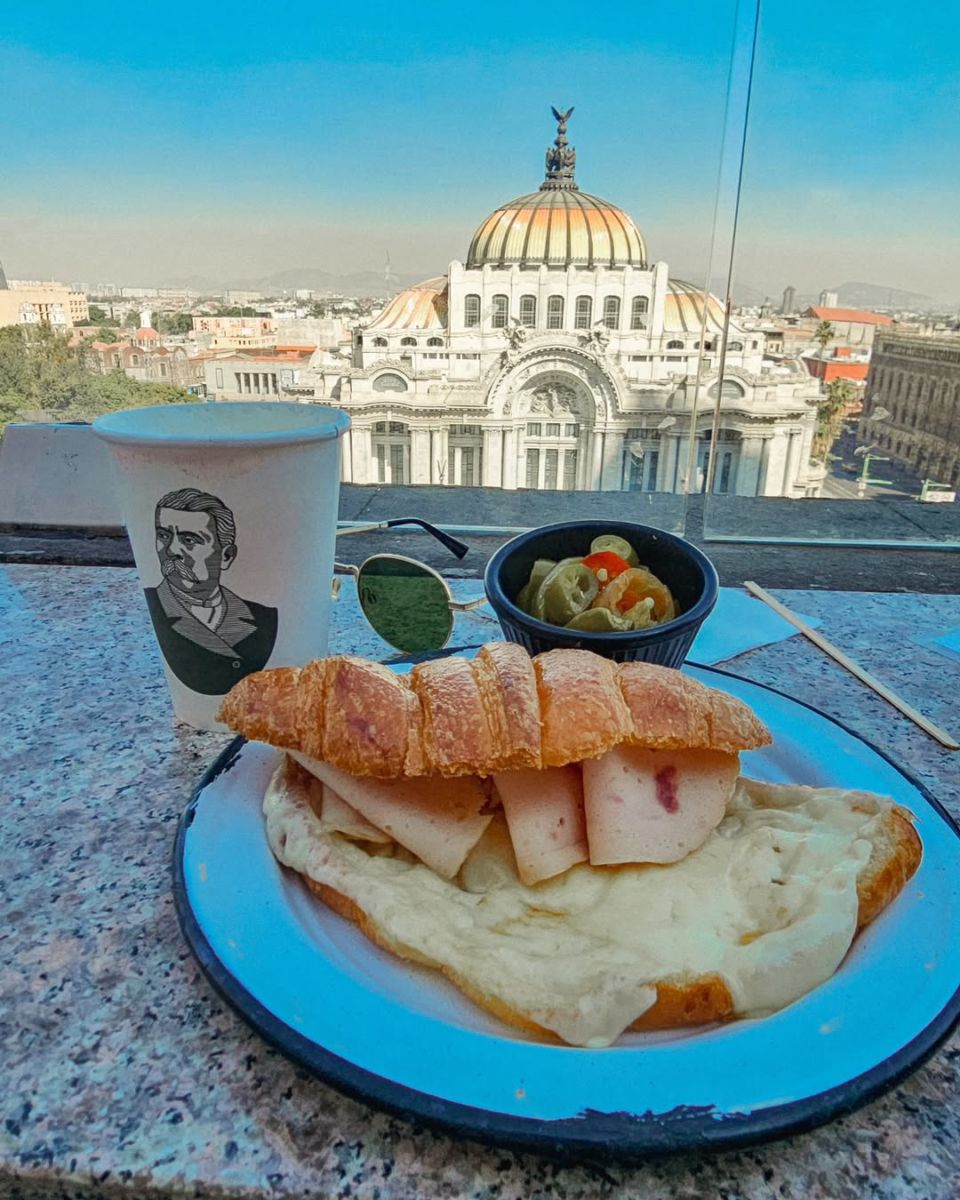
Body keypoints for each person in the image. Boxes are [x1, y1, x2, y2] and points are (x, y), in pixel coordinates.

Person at [144, 488, 277, 696]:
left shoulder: (264, 617)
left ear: (226, 556)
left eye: (189, 540)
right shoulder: (154, 605)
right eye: (163, 535)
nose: (172, 551)